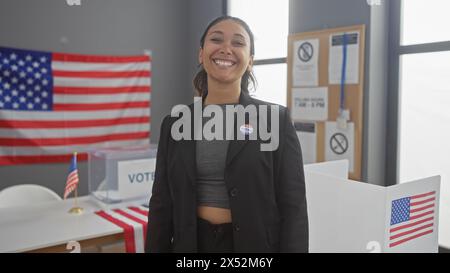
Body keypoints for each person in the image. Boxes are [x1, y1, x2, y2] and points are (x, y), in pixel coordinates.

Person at [146, 15, 308, 253]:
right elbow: (161, 202)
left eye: (238, 43)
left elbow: (293, 206)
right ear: (201, 54)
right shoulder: (175, 124)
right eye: (216, 39)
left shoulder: (275, 120)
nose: (226, 49)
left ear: (250, 61)